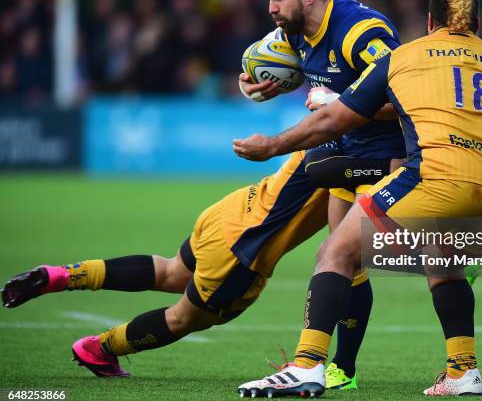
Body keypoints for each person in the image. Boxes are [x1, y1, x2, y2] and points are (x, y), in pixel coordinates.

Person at [233, 0, 482, 398]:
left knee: (337, 251)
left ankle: (307, 364)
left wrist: (274, 144)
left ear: (429, 21)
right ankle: (463, 371)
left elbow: (335, 120)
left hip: (439, 177)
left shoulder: (406, 56)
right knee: (442, 262)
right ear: (477, 26)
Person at [2, 152, 370, 377]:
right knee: (183, 318)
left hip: (231, 210)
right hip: (243, 251)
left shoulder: (332, 117)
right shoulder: (356, 153)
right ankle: (99, 349)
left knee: (171, 271)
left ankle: (61, 276)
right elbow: (339, 236)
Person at [239, 0, 407, 389]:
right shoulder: (296, 31)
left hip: (390, 154)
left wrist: (344, 104)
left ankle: (321, 364)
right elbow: (284, 67)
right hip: (351, 146)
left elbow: (405, 96)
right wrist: (265, 84)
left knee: (335, 247)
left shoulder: (360, 32)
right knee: (344, 257)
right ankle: (342, 370)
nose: (271, 9)